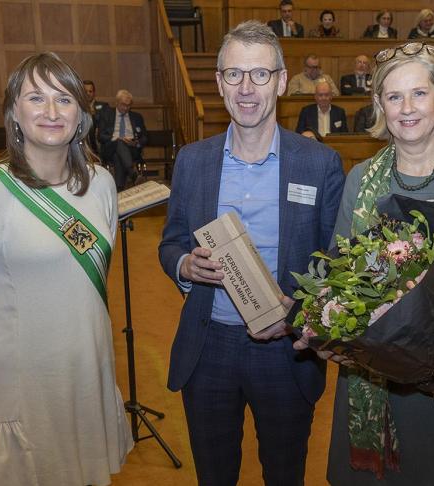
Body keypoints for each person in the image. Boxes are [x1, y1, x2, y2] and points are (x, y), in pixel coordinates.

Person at [301, 41, 434, 485]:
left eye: (418, 93)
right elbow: (341, 281)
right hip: (372, 378)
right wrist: (321, 323)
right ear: (379, 105)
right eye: (394, 96)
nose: (407, 108)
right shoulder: (360, 180)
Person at [158, 21, 345, 486]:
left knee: (284, 475)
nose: (246, 88)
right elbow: (171, 240)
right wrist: (185, 264)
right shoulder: (193, 161)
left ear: (281, 82)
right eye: (234, 74)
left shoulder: (318, 163)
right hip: (208, 348)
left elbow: (336, 264)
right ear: (219, 82)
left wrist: (301, 312)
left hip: (284, 352)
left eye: (259, 75)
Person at [0, 51, 133, 486]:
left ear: (81, 114)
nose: (51, 111)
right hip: (23, 381)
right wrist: (3, 343)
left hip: (85, 368)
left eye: (64, 99)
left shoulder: (100, 184)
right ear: (14, 113)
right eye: (36, 98)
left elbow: (86, 278)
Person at [98, 89, 148, 191]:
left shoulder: (137, 117)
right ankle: (133, 174)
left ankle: (120, 188)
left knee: (118, 156)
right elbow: (101, 136)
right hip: (110, 148)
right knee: (119, 142)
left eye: (128, 105)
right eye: (123, 105)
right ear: (116, 103)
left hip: (132, 149)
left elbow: (145, 137)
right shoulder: (106, 115)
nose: (126, 108)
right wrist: (115, 138)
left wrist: (136, 143)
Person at [83, 79, 108, 154]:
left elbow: (107, 124)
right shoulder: (77, 107)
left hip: (98, 137)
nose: (88, 93)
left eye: (90, 91)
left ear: (94, 93)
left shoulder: (104, 106)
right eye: (85, 91)